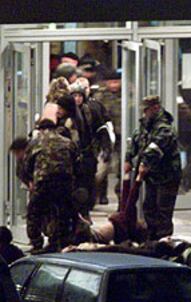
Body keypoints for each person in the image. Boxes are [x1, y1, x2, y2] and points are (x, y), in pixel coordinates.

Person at [124, 95, 181, 240]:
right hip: (153, 175)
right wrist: (128, 158)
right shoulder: (147, 124)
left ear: (155, 108)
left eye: (147, 110)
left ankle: (163, 241)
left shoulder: (164, 127)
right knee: (149, 207)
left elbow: (156, 147)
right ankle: (151, 238)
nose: (144, 113)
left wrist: (145, 164)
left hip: (167, 175)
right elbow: (136, 138)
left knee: (163, 210)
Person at [24, 119, 79, 252]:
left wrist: (31, 179)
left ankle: (36, 243)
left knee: (34, 212)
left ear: (40, 129)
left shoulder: (36, 143)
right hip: (64, 183)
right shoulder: (67, 142)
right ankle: (60, 242)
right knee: (64, 212)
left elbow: (27, 165)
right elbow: (77, 162)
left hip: (44, 183)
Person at [70, 82, 111, 215]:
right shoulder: (66, 113)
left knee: (88, 182)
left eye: (79, 96)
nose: (77, 99)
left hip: (88, 153)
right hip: (70, 154)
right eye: (74, 96)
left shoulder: (91, 110)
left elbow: (101, 130)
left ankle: (86, 210)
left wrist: (105, 148)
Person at [94, 70, 122, 204]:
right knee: (104, 163)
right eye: (111, 82)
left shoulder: (128, 93)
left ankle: (121, 191)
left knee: (121, 163)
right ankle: (101, 194)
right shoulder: (100, 95)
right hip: (106, 134)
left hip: (121, 132)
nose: (114, 85)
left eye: (116, 82)